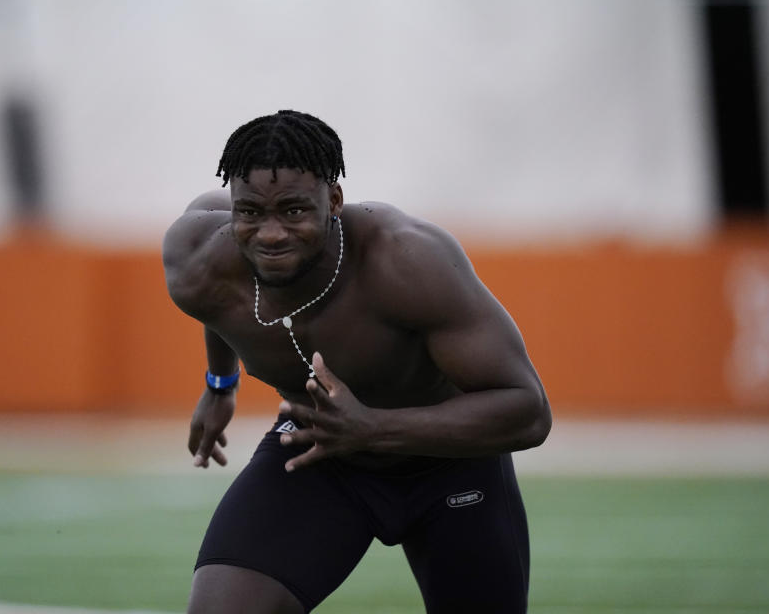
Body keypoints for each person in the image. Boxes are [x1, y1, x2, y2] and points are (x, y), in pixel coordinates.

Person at [162, 109, 551, 614]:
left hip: (451, 460)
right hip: (320, 451)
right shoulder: (199, 262)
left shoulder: (406, 259)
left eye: (295, 211)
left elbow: (528, 410)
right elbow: (218, 307)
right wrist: (219, 385)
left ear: (335, 201)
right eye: (250, 212)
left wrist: (373, 429)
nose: (271, 233)